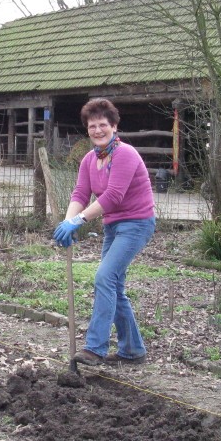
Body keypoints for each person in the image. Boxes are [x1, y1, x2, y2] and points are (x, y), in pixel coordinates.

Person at [54, 98, 156, 366]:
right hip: (113, 226)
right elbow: (80, 193)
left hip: (136, 224)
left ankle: (95, 348)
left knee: (104, 277)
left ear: (114, 126)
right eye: (92, 126)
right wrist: (68, 223)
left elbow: (113, 196)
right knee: (114, 286)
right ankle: (133, 350)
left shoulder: (126, 154)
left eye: (103, 125)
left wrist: (79, 221)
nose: (97, 130)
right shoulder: (89, 160)